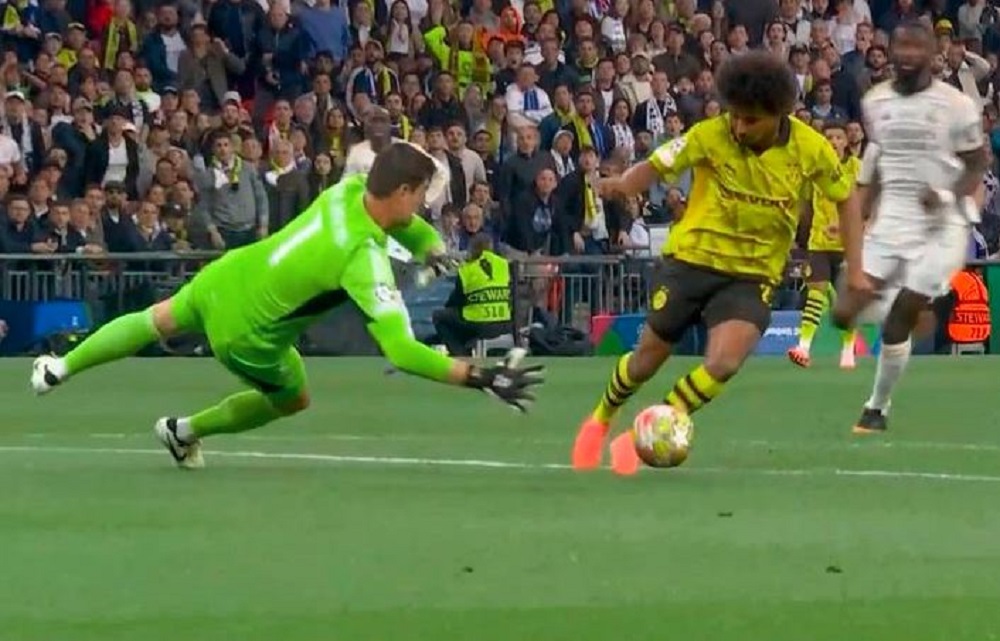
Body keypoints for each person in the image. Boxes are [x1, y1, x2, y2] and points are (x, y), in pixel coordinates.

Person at [31, 142, 544, 469]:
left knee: (155, 319)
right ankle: (183, 432)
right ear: (403, 190)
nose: (424, 205)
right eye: (421, 194)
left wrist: (429, 247)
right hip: (248, 336)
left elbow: (403, 223)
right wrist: (480, 376)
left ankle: (58, 367)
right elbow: (402, 352)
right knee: (293, 396)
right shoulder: (363, 260)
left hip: (228, 276)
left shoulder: (348, 190)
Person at [571, 51, 866, 476]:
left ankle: (651, 426)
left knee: (725, 362)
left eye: (751, 120)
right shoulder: (711, 133)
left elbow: (847, 198)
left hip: (752, 274)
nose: (739, 127)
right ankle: (602, 416)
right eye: (735, 116)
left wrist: (856, 268)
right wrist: (620, 184)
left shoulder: (811, 148)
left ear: (778, 114)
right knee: (645, 361)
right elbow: (656, 165)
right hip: (692, 261)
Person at [831, 21, 988, 434]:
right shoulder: (875, 101)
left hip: (942, 224)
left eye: (917, 47)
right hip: (892, 221)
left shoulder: (956, 105)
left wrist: (946, 194)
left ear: (934, 53)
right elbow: (878, 163)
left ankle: (876, 408)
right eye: (901, 46)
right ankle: (911, 311)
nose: (908, 54)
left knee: (898, 319)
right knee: (842, 312)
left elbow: (977, 163)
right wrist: (859, 213)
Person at [788, 121, 863, 369]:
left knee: (845, 299)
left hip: (847, 245)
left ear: (846, 141)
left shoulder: (857, 168)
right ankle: (803, 346)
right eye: (829, 138)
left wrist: (846, 227)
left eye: (838, 138)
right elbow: (804, 204)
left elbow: (865, 206)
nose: (834, 142)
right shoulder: (814, 170)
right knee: (816, 291)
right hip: (818, 242)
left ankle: (848, 350)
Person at [432, 233, 512, 356]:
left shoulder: (467, 270)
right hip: (505, 323)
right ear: (490, 247)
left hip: (479, 325)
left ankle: (460, 355)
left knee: (439, 316)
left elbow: (457, 300)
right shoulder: (504, 264)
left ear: (472, 250)